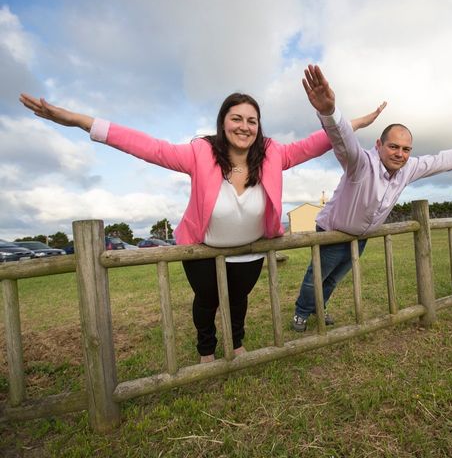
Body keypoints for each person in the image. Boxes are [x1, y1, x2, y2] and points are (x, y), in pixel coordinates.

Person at [19, 85, 384, 363]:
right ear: (223, 123)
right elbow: (146, 146)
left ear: (259, 126)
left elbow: (318, 142)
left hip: (250, 251)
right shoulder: (199, 153)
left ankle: (237, 344)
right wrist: (81, 121)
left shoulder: (274, 154)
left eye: (251, 120)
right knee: (207, 300)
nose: (244, 126)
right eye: (236, 118)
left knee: (238, 299)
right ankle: (206, 350)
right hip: (202, 249)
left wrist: (346, 120)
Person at [291, 64, 452, 331]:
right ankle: (301, 312)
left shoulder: (408, 167)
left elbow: (445, 160)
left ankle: (319, 310)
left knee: (333, 279)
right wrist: (329, 111)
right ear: (378, 145)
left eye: (405, 149)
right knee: (317, 277)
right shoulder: (360, 163)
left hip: (360, 235)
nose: (400, 154)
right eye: (393, 147)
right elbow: (342, 139)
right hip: (332, 230)